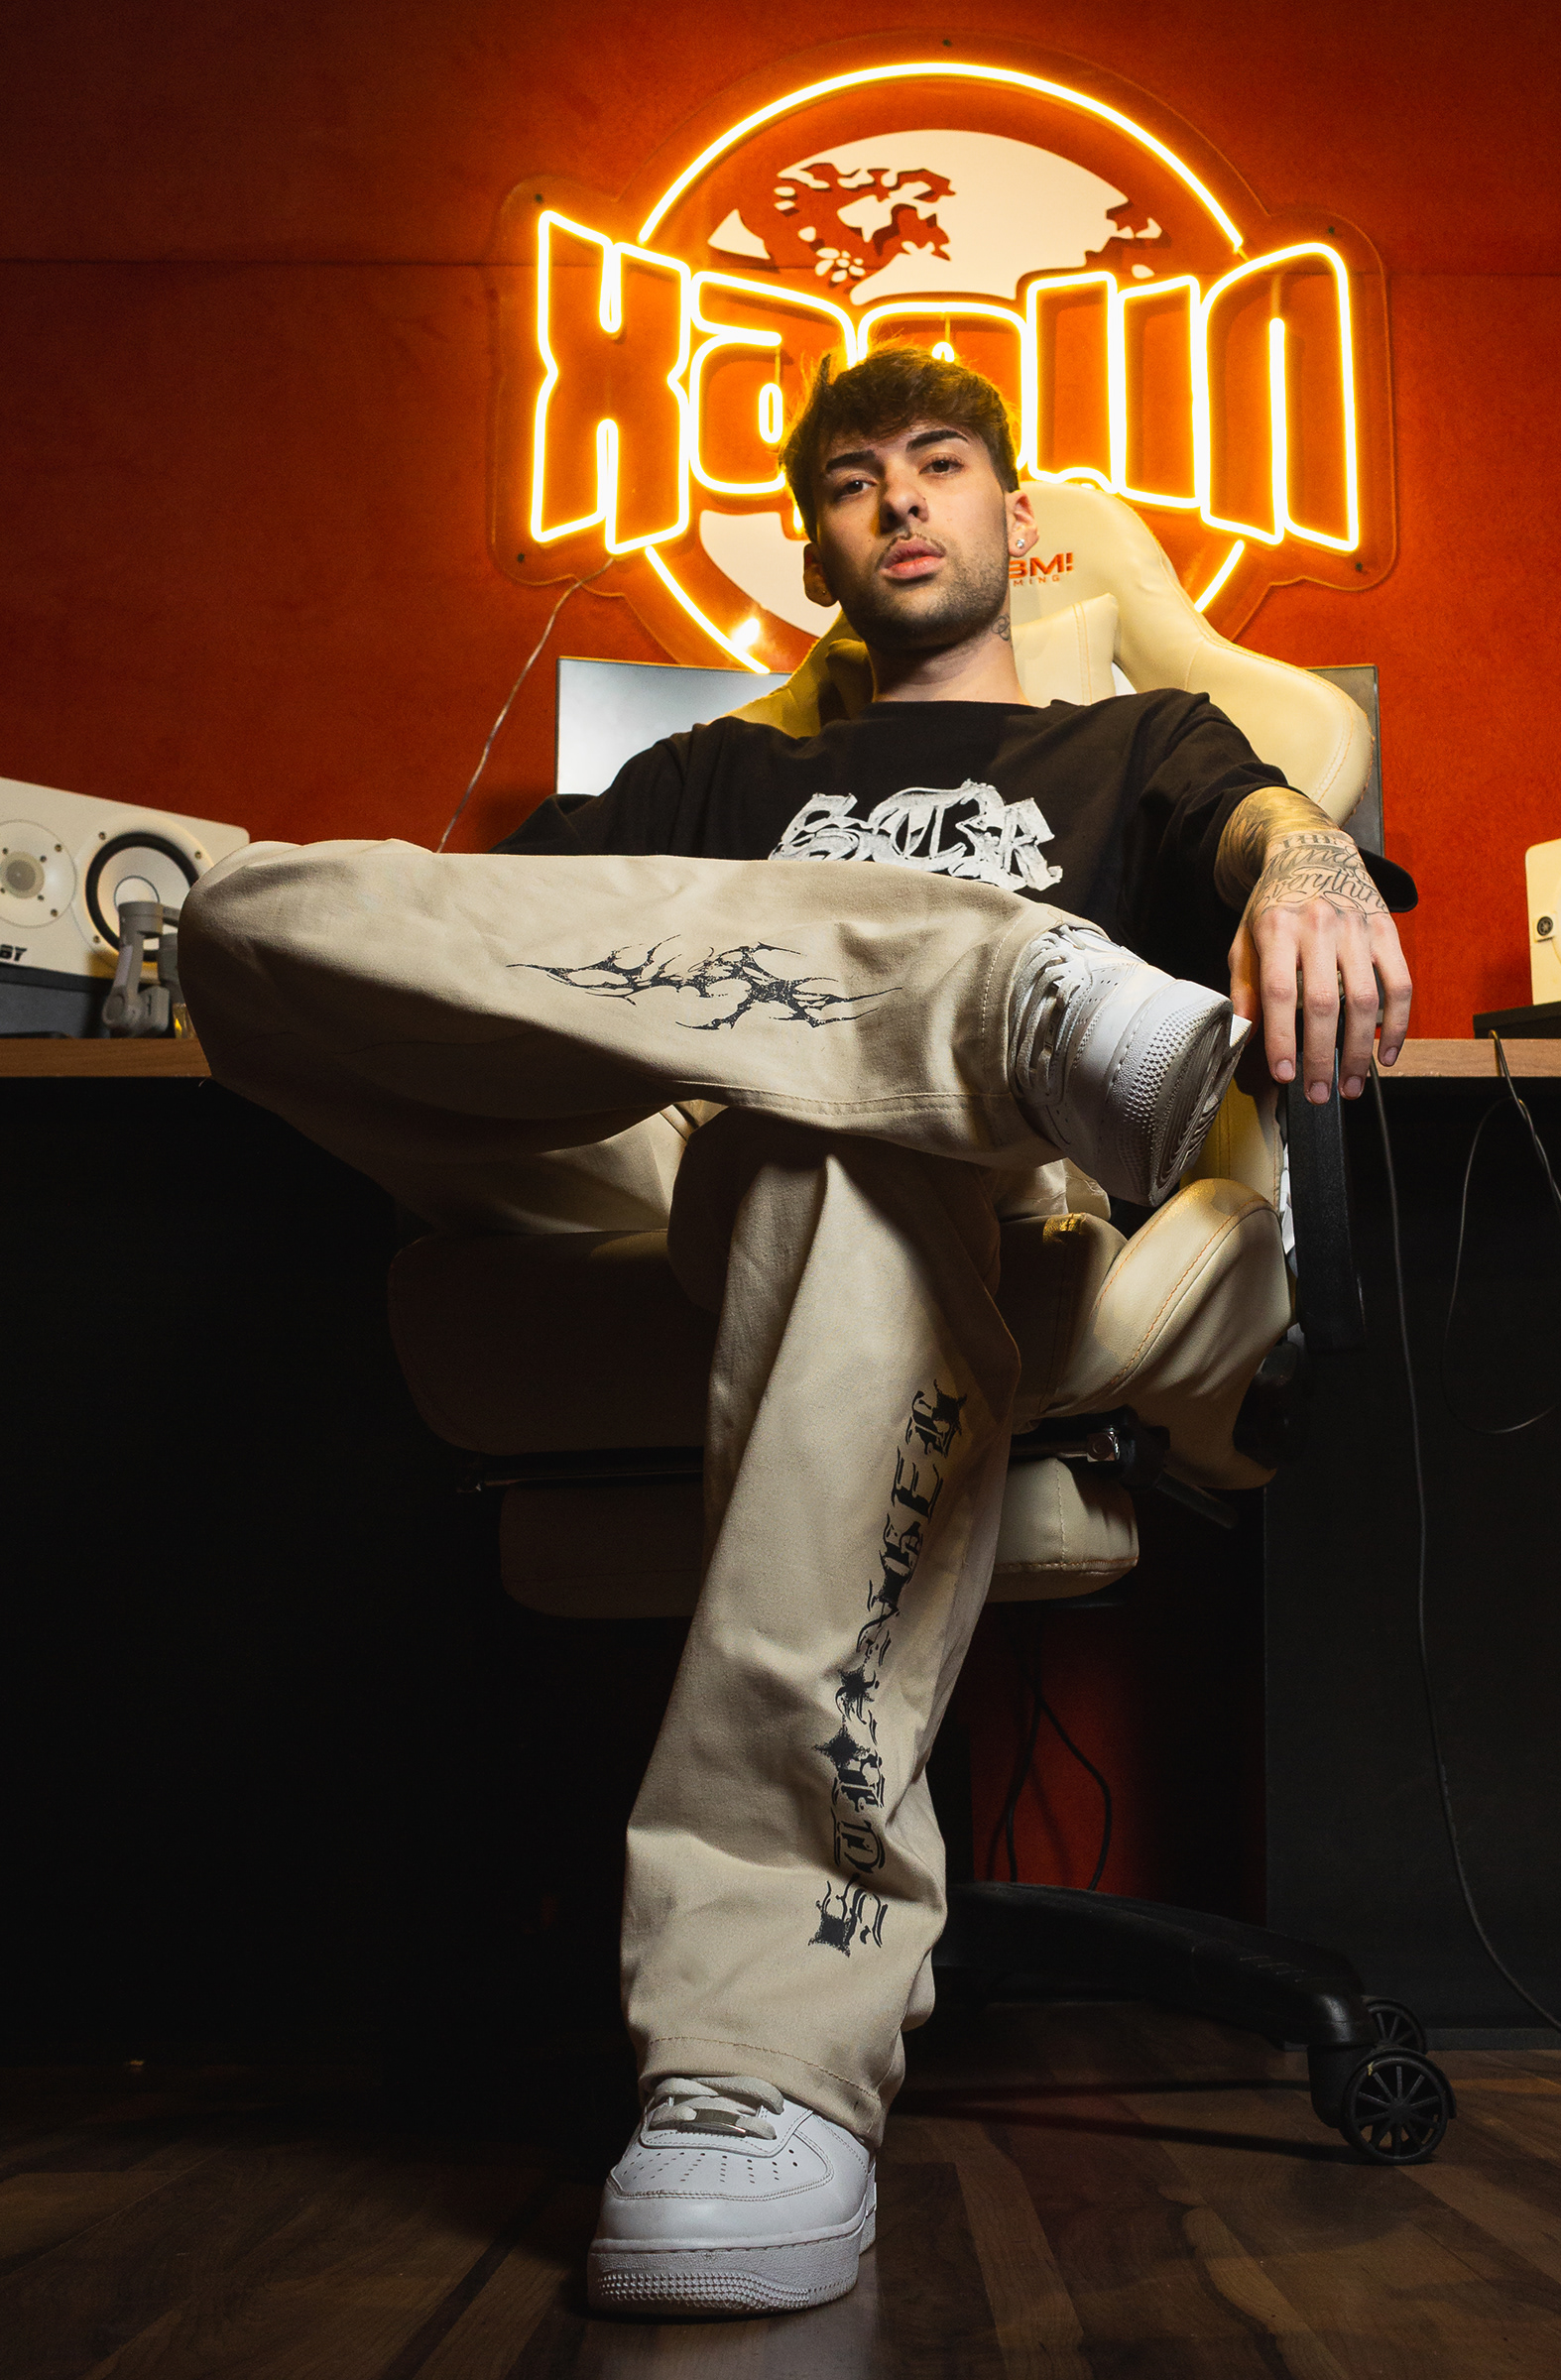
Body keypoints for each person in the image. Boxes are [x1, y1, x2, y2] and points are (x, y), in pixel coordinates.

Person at [178, 346, 1413, 2320]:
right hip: (655, 1169)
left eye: (940, 464)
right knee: (244, 925)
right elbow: (472, 960)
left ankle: (757, 2054)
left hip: (980, 1191)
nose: (899, 500)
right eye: (851, 480)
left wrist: (1320, 861)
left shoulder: (1137, 742)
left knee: (831, 1161)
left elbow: (1265, 827)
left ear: (1018, 515)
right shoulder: (713, 780)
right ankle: (997, 997)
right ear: (816, 543)